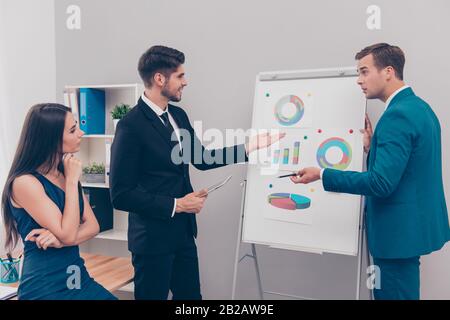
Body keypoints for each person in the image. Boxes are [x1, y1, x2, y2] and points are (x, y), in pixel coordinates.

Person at [109, 45, 283, 300]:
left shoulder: (178, 115)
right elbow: (121, 195)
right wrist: (178, 204)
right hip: (151, 241)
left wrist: (248, 147)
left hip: (183, 233)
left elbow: (201, 158)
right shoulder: (130, 126)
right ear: (160, 78)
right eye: (180, 76)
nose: (185, 82)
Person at [291, 43, 450, 300]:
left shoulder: (396, 117)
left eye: (364, 72)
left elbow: (380, 184)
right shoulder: (419, 108)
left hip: (396, 237)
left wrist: (321, 174)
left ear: (388, 71)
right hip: (410, 232)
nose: (359, 80)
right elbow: (410, 167)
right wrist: (372, 148)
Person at [1, 103, 117, 300]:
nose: (81, 132)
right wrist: (72, 182)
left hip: (77, 277)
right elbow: (70, 234)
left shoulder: (66, 172)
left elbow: (93, 226)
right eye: (73, 130)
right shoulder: (25, 183)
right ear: (51, 139)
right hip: (45, 285)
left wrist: (59, 240)